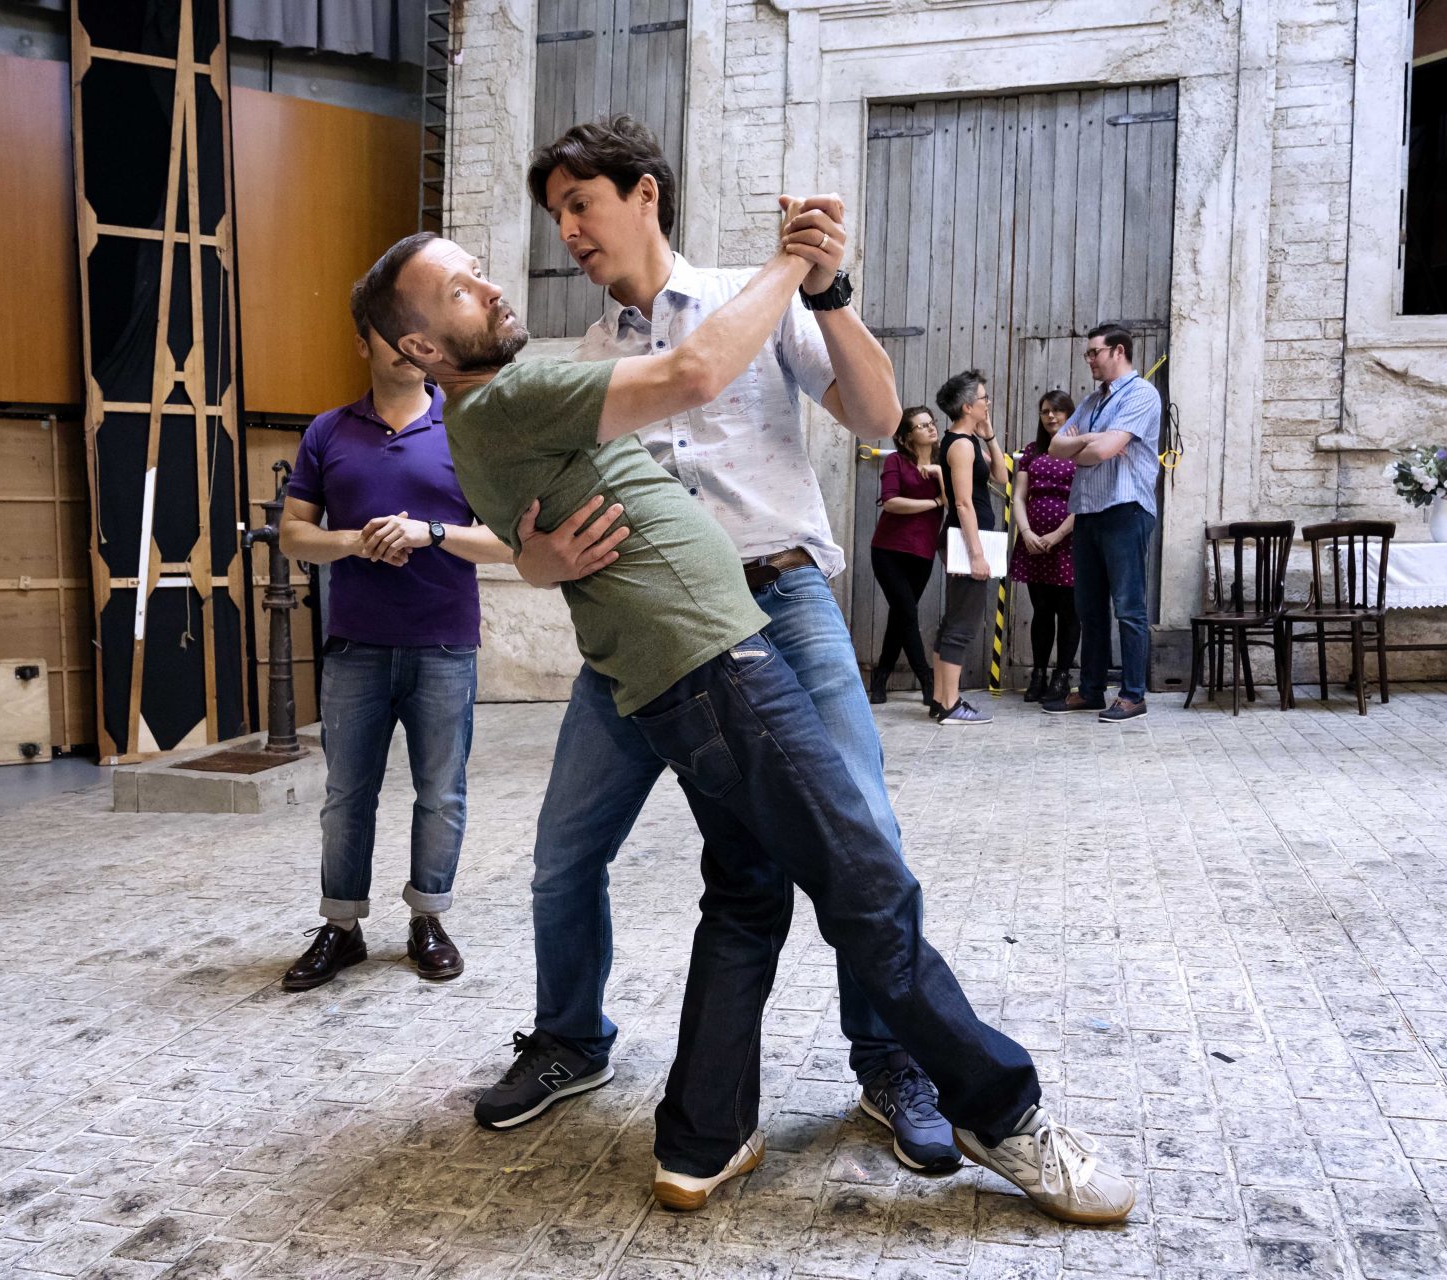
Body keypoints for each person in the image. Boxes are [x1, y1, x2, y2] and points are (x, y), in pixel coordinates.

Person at [359, 225, 1135, 1223]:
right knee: (866, 881)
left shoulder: (487, 414)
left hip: (688, 666)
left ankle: (704, 1136)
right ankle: (1003, 1111)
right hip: (713, 665)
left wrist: (536, 556)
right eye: (461, 292)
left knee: (747, 890)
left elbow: (539, 532)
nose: (493, 287)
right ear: (421, 347)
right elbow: (694, 372)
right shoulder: (516, 392)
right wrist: (793, 264)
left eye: (478, 271)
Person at [479, 117, 963, 1178]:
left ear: (644, 193)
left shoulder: (757, 301)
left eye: (580, 205)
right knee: (565, 849)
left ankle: (888, 1060)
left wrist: (827, 291)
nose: (568, 232)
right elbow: (536, 530)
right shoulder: (592, 361)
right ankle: (570, 1037)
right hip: (646, 634)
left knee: (864, 827)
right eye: (555, 216)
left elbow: (879, 416)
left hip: (781, 599)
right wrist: (538, 561)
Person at [275, 287, 516, 992]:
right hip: (355, 645)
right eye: (393, 333)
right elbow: (293, 535)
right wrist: (355, 541)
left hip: (444, 644)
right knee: (346, 795)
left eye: (421, 332)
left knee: (441, 792)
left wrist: (430, 531)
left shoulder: (467, 427)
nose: (410, 346)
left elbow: (506, 541)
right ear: (365, 344)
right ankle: (342, 927)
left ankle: (427, 919)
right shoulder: (328, 431)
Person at [1043, 324, 1163, 723]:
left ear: (1118, 351)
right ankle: (1092, 690)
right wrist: (1090, 441)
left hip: (1125, 508)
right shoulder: (1092, 400)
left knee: (1128, 607)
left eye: (1095, 352)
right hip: (1088, 511)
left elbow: (1105, 450)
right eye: (1088, 353)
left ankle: (1132, 695)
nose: (1090, 360)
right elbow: (1055, 447)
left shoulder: (1142, 394)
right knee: (1089, 608)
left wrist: (1088, 443)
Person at [929, 369, 1007, 726]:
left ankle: (939, 699)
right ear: (966, 406)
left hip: (969, 540)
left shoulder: (969, 440)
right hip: (965, 542)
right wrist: (976, 555)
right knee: (962, 624)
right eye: (983, 398)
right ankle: (950, 704)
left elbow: (1002, 477)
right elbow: (962, 504)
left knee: (953, 621)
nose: (987, 403)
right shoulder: (959, 445)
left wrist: (989, 434)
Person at [868, 406, 944, 709]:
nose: (930, 428)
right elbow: (891, 502)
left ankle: (880, 676)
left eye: (931, 423)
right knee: (907, 613)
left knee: (900, 616)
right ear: (905, 437)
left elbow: (954, 499)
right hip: (888, 550)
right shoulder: (896, 461)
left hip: (922, 553)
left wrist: (940, 476)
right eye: (921, 426)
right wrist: (934, 502)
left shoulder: (943, 462)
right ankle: (927, 680)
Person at [1012, 390, 1079, 703]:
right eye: (1045, 411)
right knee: (1041, 610)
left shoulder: (1080, 449)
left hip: (1068, 543)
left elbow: (1085, 499)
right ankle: (1038, 673)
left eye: (1057, 410)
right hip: (1033, 543)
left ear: (1069, 414)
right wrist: (1025, 532)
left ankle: (1062, 676)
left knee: (1068, 611)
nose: (1050, 416)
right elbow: (1019, 496)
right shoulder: (1032, 450)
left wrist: (1058, 534)